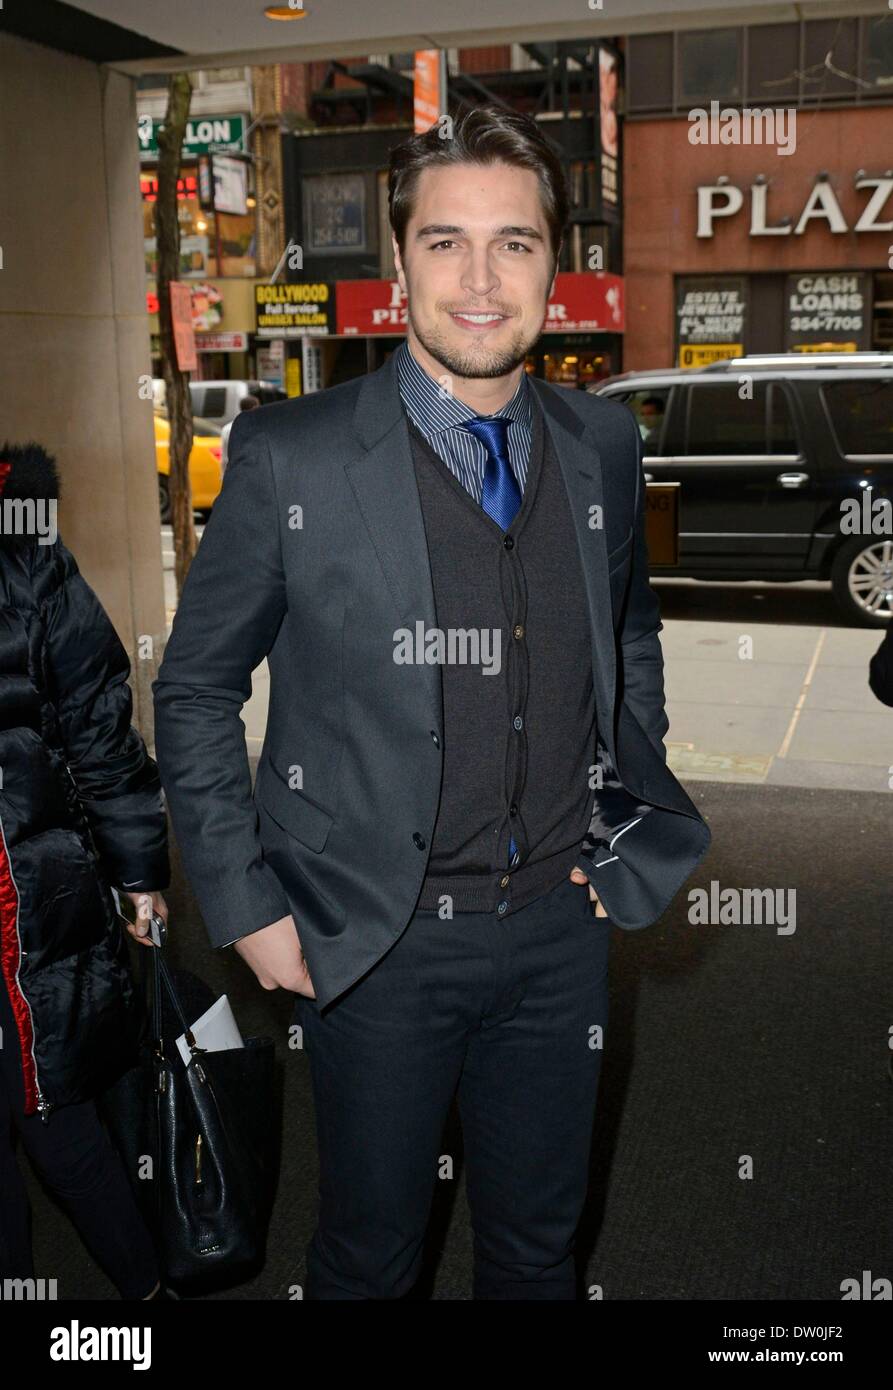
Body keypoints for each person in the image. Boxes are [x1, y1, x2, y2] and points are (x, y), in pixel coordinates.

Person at [153, 106, 711, 1301]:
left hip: (562, 934)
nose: (478, 277)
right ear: (397, 262)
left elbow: (628, 633)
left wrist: (620, 799)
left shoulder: (602, 444)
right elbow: (195, 685)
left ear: (555, 266)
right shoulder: (290, 456)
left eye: (513, 243)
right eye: (444, 241)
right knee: (369, 1256)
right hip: (374, 937)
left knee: (536, 1251)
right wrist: (246, 905)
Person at [0, 441, 171, 1299]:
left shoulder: (23, 548)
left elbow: (98, 724)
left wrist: (139, 870)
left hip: (23, 907)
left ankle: (143, 1296)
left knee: (55, 1117)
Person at [219, 394, 260, 476]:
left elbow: (224, 458)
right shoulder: (258, 429)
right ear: (254, 408)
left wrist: (224, 476)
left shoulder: (227, 428)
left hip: (234, 475)